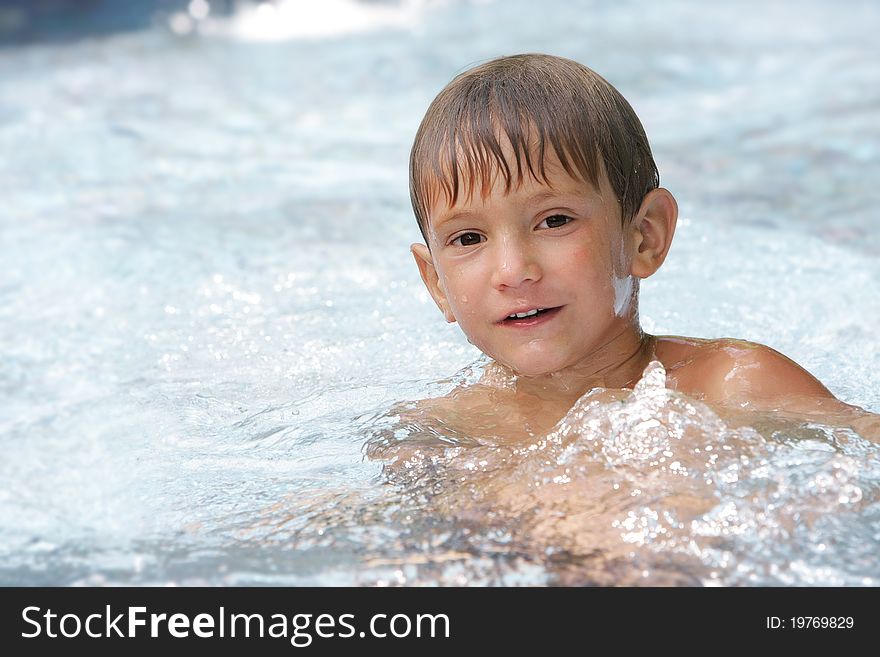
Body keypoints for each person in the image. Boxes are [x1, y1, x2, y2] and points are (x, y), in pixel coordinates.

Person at [401, 53, 878, 445]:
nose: (513, 270)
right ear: (436, 282)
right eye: (468, 239)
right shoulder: (444, 432)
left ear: (644, 237)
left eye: (554, 221)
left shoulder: (733, 386)